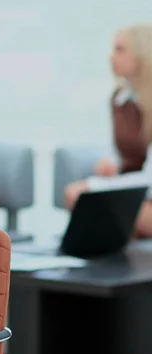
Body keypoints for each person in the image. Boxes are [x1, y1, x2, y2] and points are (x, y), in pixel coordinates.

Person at [65, 23, 152, 238]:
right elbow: (123, 153)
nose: (111, 57)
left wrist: (98, 186)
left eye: (120, 49)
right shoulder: (120, 99)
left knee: (86, 197)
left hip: (147, 190)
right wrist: (110, 165)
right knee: (79, 197)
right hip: (135, 189)